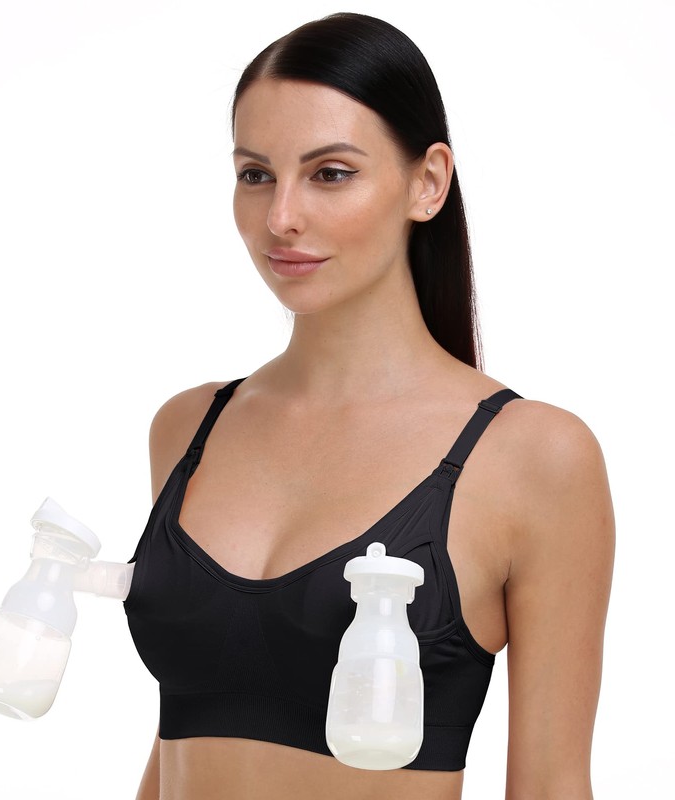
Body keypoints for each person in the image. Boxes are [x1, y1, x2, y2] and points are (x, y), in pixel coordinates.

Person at [123, 12, 615, 800]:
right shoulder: (189, 428)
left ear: (428, 183)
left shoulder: (531, 457)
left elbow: (552, 785)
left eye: (330, 173)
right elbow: (181, 736)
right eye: (255, 174)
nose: (281, 217)